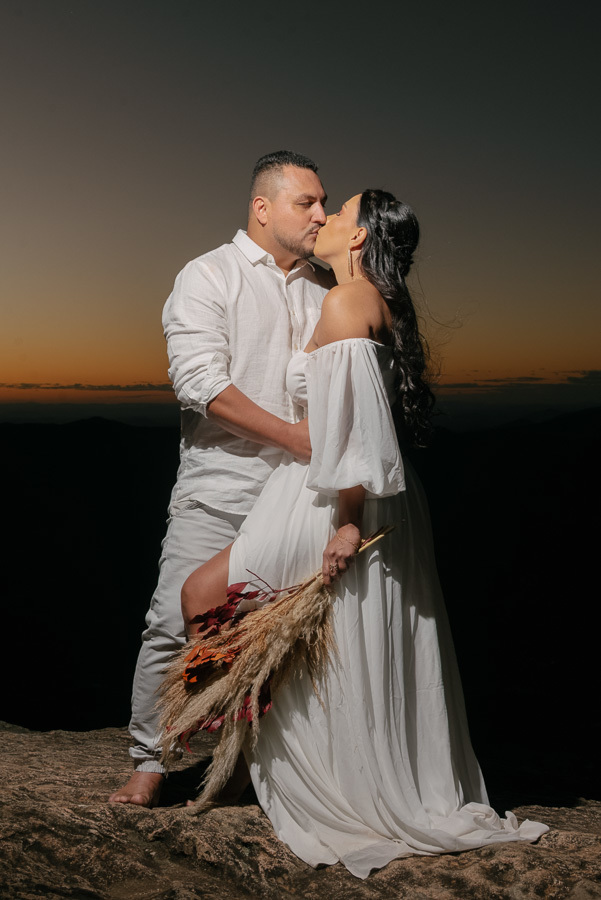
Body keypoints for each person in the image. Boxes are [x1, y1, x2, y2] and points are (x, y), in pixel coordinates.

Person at [175, 189, 548, 877]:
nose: (322, 220)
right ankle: (256, 757)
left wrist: (347, 524)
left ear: (358, 238)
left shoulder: (346, 303)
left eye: (336, 214)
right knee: (327, 634)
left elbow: (353, 429)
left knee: (204, 593)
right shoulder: (364, 298)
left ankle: (243, 763)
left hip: (335, 497)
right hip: (355, 493)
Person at [109, 151, 334, 807]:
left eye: (323, 202)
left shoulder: (327, 290)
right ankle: (150, 761)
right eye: (307, 202)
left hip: (300, 497)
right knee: (175, 623)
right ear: (262, 208)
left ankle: (245, 767)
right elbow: (200, 384)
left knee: (278, 639)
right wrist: (295, 437)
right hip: (221, 488)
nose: (321, 213)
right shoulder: (209, 275)